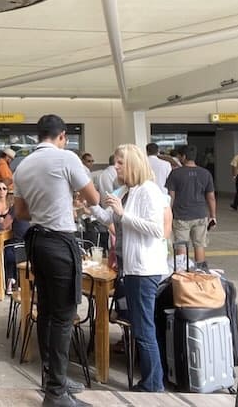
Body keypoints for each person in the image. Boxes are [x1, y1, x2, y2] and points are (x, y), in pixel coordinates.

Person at [13, 115, 98, 407]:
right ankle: (56, 394)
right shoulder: (66, 158)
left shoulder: (22, 166)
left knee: (47, 311)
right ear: (62, 136)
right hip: (60, 242)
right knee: (63, 317)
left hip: (36, 241)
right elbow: (95, 197)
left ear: (39, 136)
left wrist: (53, 204)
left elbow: (21, 213)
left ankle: (53, 380)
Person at [91, 144, 167, 393]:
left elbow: (157, 230)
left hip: (144, 269)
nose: (116, 167)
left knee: (144, 328)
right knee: (139, 325)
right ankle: (150, 381)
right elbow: (109, 219)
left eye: (120, 163)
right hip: (132, 268)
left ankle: (152, 384)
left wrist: (123, 215)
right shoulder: (128, 190)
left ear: (133, 165)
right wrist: (89, 205)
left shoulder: (148, 191)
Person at [166, 145, 216, 271]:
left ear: (183, 157)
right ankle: (201, 271)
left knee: (181, 245)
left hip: (181, 216)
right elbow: (211, 197)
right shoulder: (205, 173)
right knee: (199, 245)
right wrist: (213, 216)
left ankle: (182, 273)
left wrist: (168, 214)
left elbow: (171, 196)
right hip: (200, 214)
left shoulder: (175, 173)